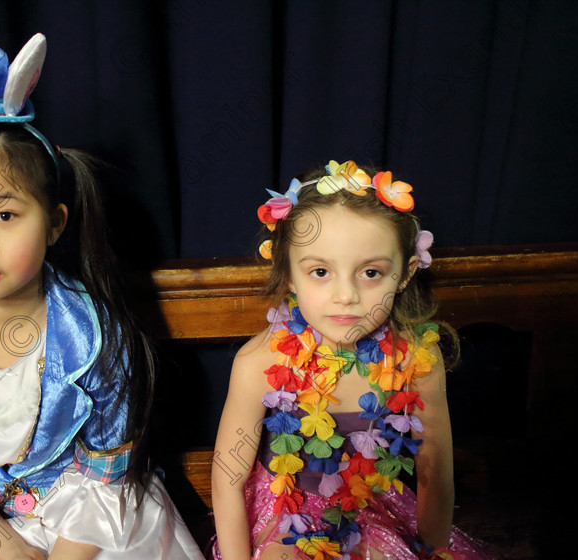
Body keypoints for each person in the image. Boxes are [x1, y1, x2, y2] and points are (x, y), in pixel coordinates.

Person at [0, 35, 204, 560]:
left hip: (93, 524)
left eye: (5, 215)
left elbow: (108, 472)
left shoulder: (95, 337)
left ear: (53, 224)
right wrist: (4, 545)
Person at [211, 161, 493, 559]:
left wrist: (433, 551)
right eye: (321, 271)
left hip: (372, 508)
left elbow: (436, 473)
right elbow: (228, 480)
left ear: (406, 273)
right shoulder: (259, 362)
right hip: (284, 512)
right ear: (289, 273)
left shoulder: (416, 359)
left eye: (371, 273)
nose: (346, 295)